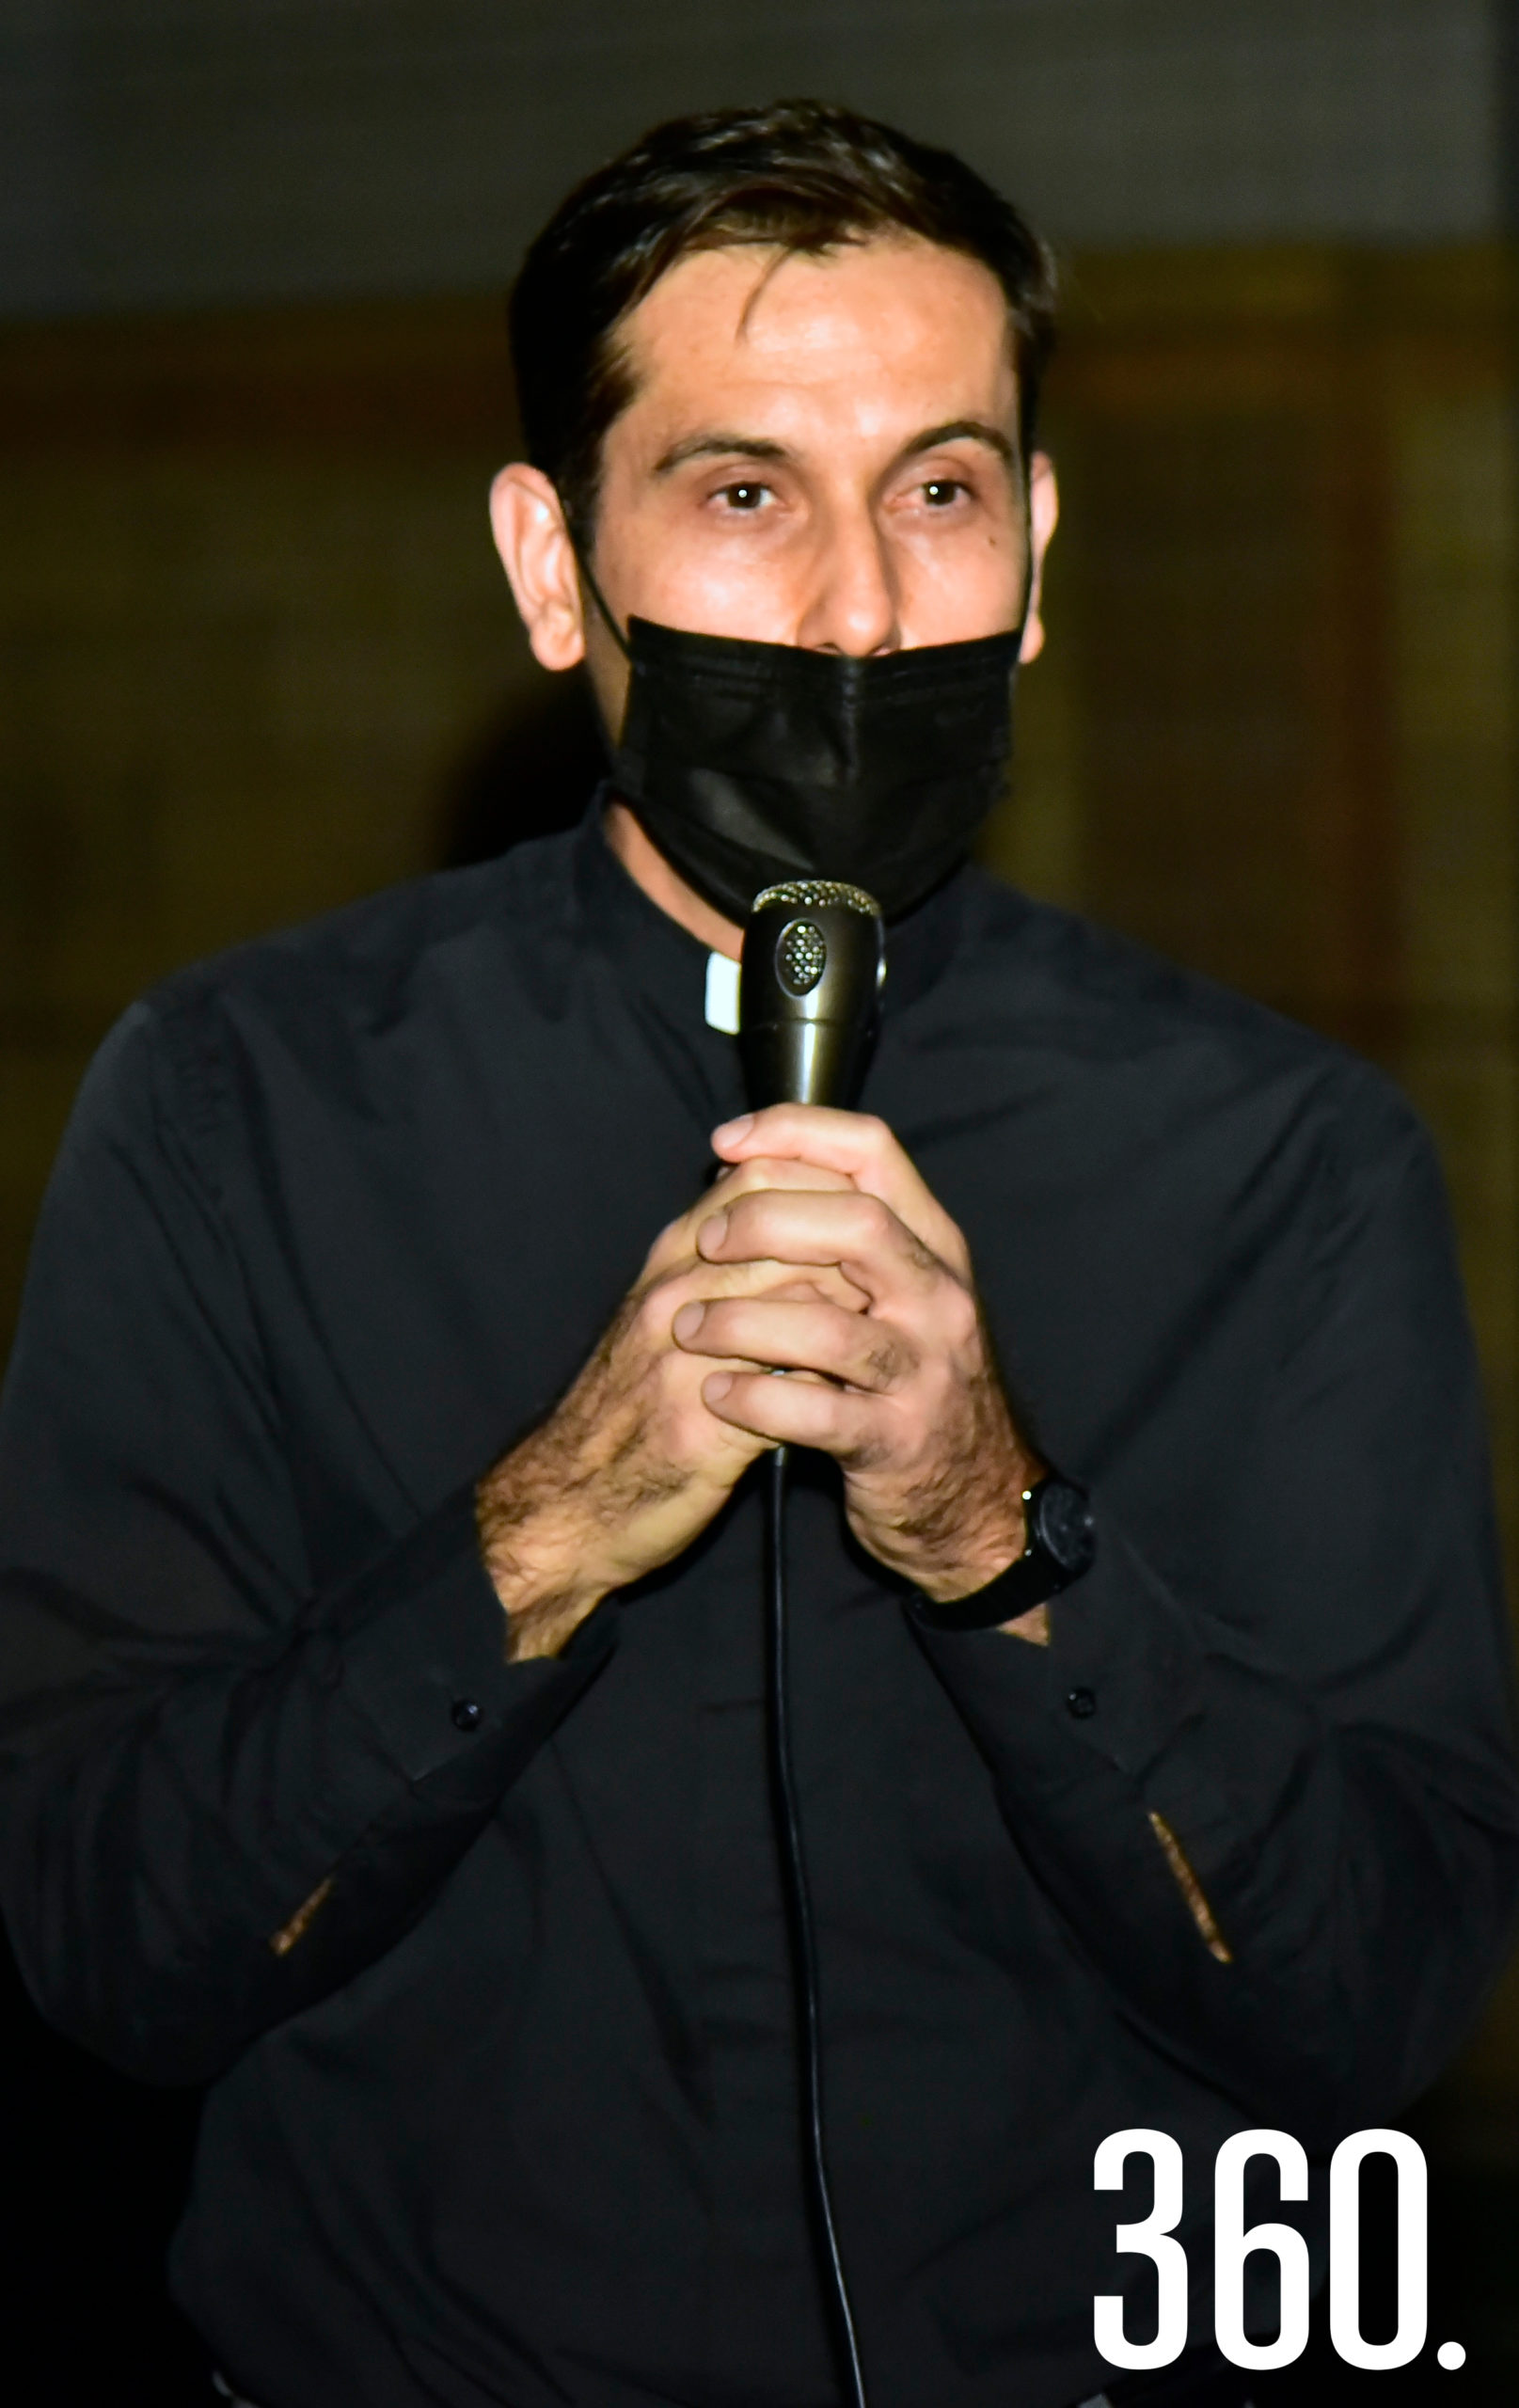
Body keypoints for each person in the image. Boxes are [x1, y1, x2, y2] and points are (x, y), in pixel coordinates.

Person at [0, 98, 1515, 2408]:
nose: (849, 608)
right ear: (547, 563)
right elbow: (107, 1935)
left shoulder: (1282, 1160)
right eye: (739, 493)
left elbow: (1385, 1993)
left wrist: (1003, 1539)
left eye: (935, 488)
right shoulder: (239, 1106)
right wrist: (544, 1527)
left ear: (1033, 549)